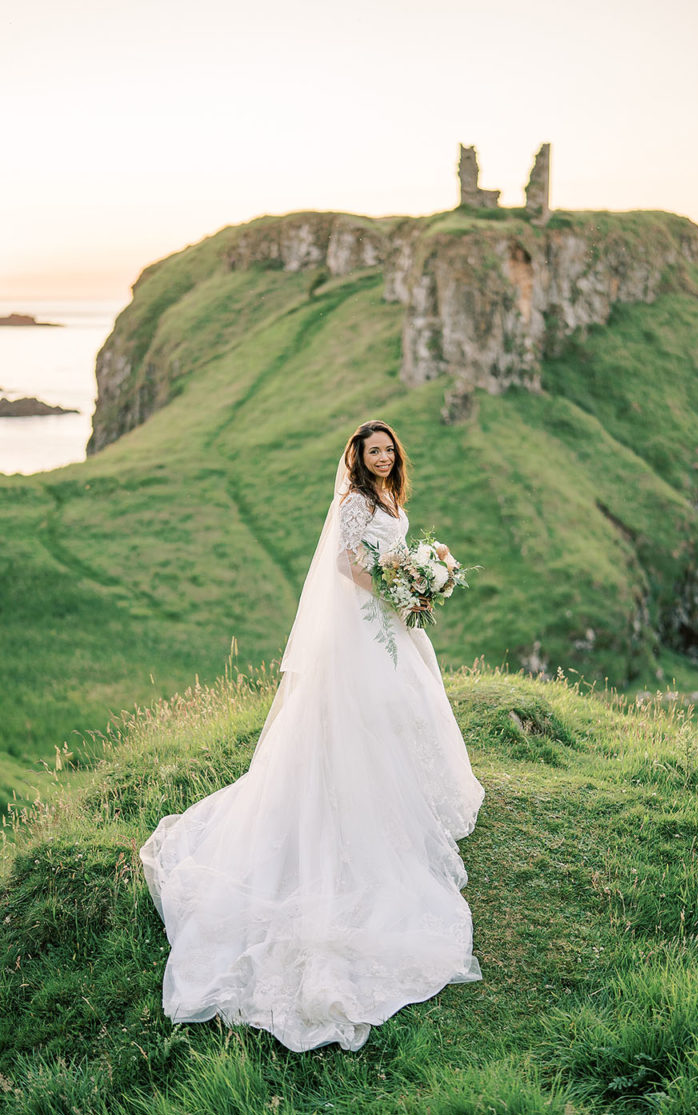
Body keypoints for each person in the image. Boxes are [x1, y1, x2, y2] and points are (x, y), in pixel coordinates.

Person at [139, 419, 484, 1052]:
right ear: (356, 458)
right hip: (362, 620)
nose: (381, 458)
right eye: (371, 450)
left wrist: (418, 578)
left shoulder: (389, 499)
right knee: (369, 703)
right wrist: (396, 589)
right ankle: (361, 796)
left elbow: (390, 552)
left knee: (405, 699)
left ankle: (409, 792)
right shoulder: (353, 503)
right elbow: (349, 564)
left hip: (389, 615)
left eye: (388, 450)